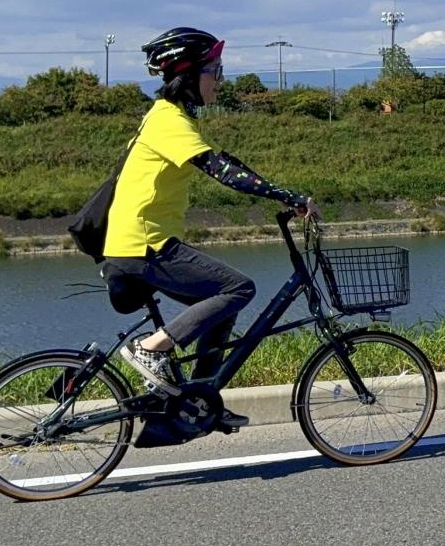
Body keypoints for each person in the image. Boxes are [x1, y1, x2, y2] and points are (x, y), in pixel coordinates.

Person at [103, 27, 317, 430]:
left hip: (142, 243)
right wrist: (286, 197)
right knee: (239, 289)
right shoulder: (168, 120)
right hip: (144, 245)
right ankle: (151, 349)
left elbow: (227, 159)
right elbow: (221, 170)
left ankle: (200, 403)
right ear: (189, 74)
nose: (220, 80)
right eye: (214, 71)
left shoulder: (172, 118)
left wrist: (283, 193)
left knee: (218, 310)